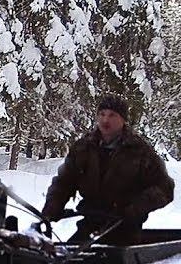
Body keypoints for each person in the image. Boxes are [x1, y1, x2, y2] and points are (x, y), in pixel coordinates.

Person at [41, 94, 174, 245]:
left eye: (112, 115)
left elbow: (164, 189)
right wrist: (53, 207)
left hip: (125, 229)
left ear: (123, 120)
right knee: (64, 261)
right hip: (90, 223)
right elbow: (64, 182)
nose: (105, 120)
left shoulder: (140, 151)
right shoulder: (83, 147)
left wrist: (133, 209)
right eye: (102, 114)